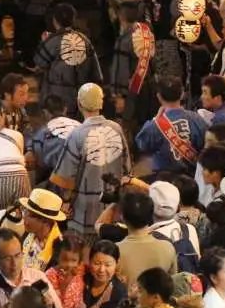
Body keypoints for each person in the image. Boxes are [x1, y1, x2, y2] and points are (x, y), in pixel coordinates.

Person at [53, 83, 127, 241]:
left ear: (79, 104)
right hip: (113, 209)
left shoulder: (77, 134)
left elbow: (66, 179)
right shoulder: (117, 129)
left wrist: (65, 202)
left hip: (84, 210)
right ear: (101, 103)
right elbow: (127, 170)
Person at [35, 3, 102, 109]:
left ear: (54, 20)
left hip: (56, 99)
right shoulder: (85, 40)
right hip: (81, 97)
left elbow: (39, 63)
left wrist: (44, 42)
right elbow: (96, 72)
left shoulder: (52, 41)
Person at [137, 77, 205, 178]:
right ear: (182, 94)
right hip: (193, 179)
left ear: (159, 97)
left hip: (163, 180)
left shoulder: (154, 125)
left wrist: (156, 118)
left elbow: (142, 145)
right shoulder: (197, 119)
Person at [113, 187, 179, 284]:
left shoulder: (115, 251)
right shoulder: (168, 248)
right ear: (151, 214)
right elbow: (173, 283)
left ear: (122, 217)